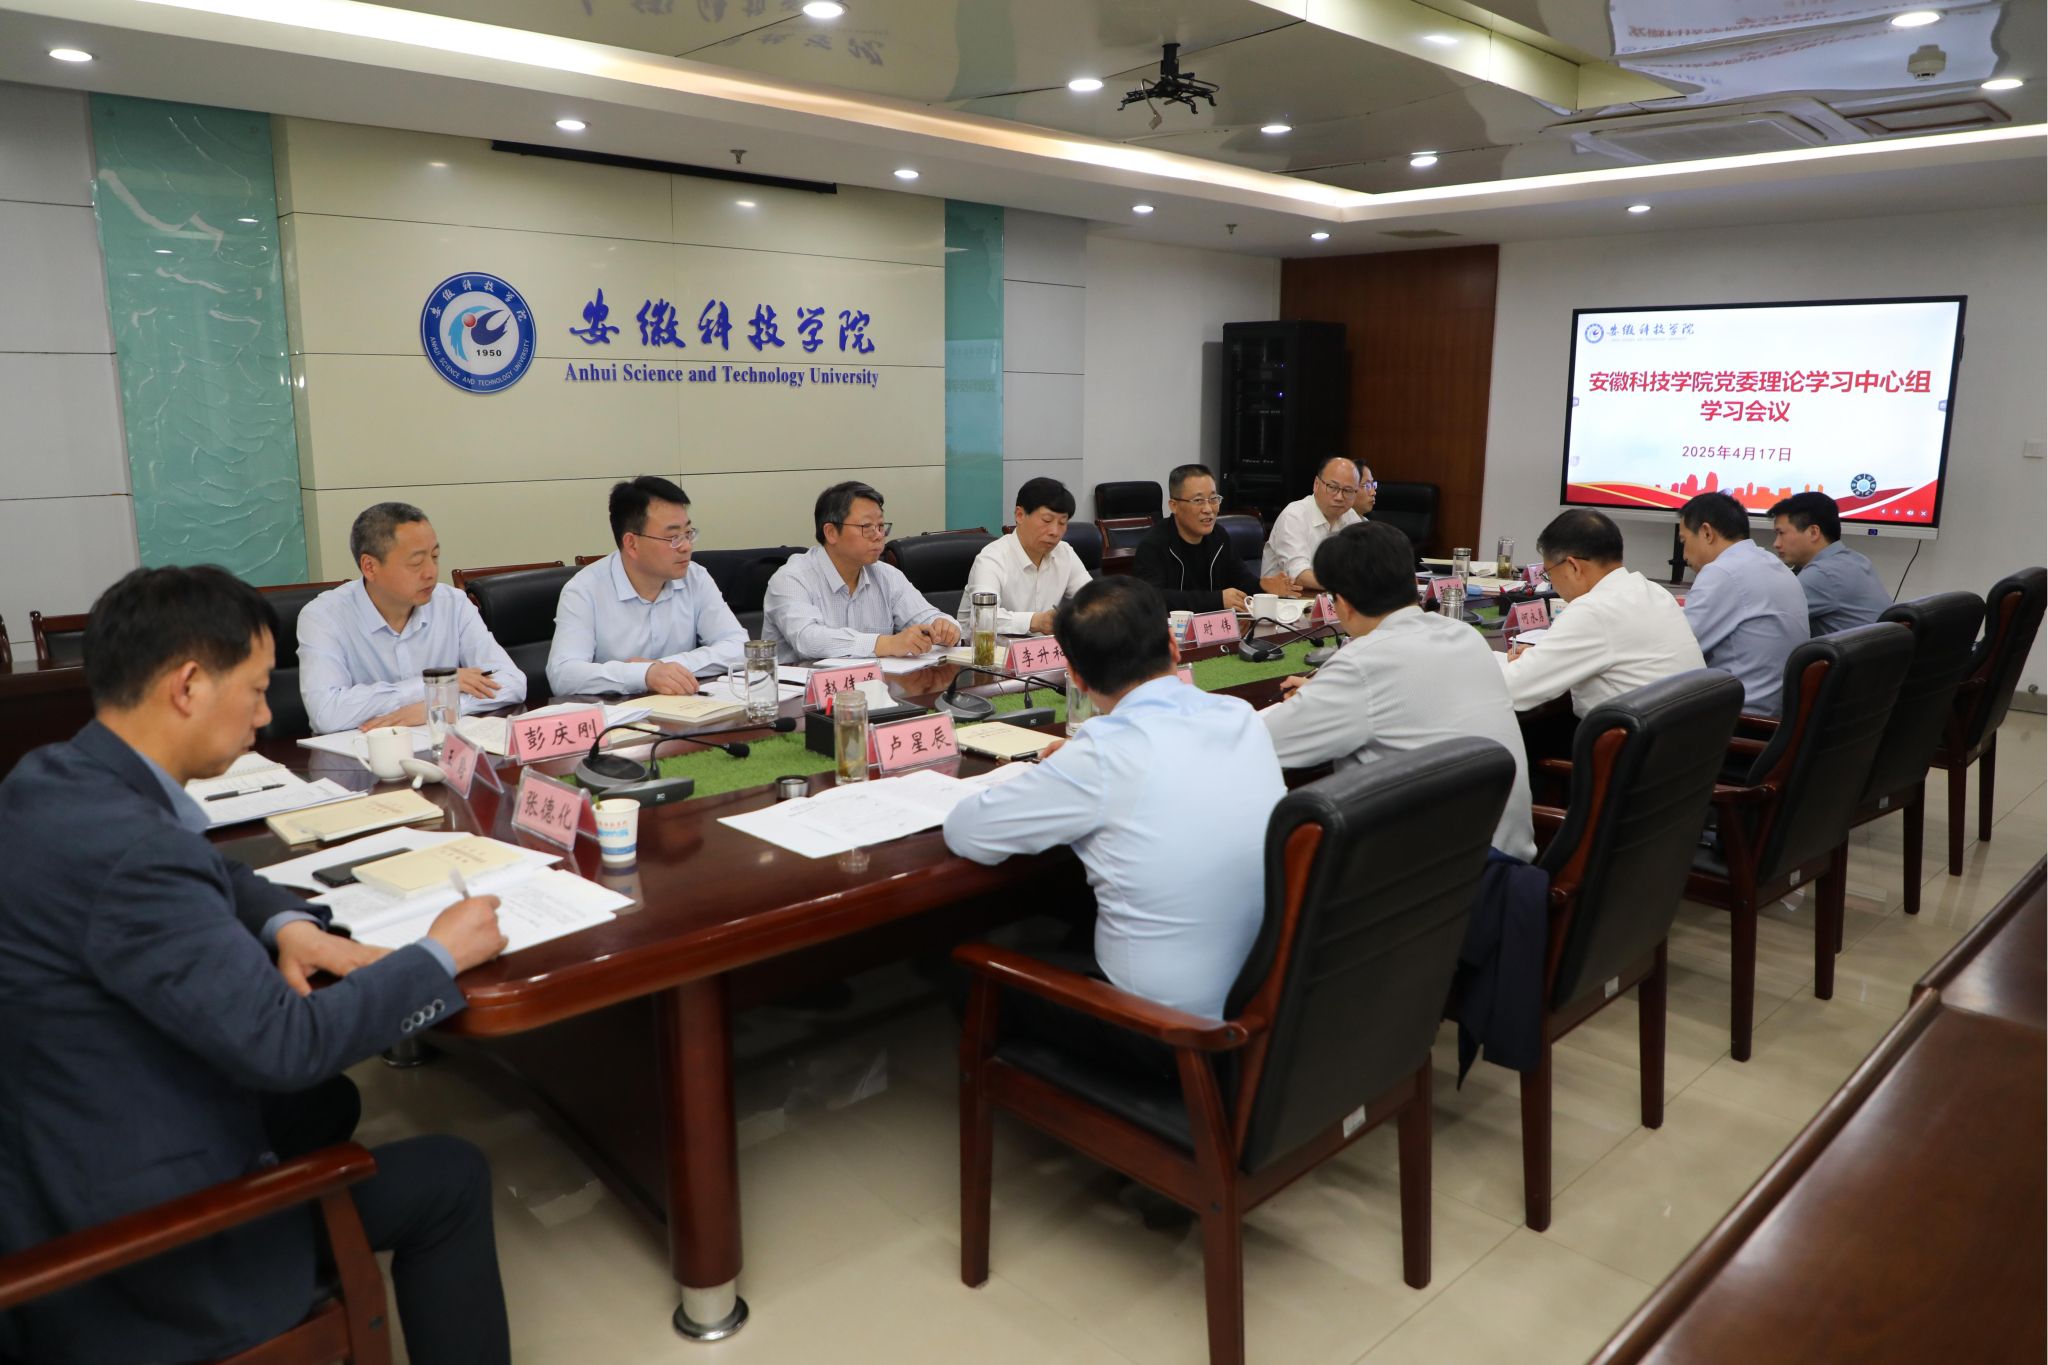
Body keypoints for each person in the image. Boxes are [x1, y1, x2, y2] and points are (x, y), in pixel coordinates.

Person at [0, 566, 511, 1365]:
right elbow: (287, 1044)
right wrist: (439, 954)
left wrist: (284, 922)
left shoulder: (55, 777)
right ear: (188, 686)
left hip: (60, 1140)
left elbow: (212, 871)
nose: (267, 713)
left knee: (325, 1103)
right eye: (256, 688)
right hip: (134, 1249)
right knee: (449, 1174)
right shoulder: (134, 852)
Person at [943, 576, 1285, 1022]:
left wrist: (1065, 770)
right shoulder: (1240, 716)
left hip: (1166, 1029)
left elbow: (967, 832)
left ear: (1076, 678)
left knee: (960, 969)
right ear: (1173, 646)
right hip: (1266, 992)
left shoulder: (1102, 755)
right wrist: (1079, 765)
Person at [1261, 521, 1535, 860]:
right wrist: (1329, 691)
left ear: (1341, 603)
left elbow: (1264, 743)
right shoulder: (1464, 635)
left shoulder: (1361, 664)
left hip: (1426, 875)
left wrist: (1328, 693)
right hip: (1507, 867)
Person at [297, 502, 526, 733]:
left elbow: (513, 682)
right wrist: (431, 685)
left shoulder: (453, 604)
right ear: (370, 567)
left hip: (440, 747)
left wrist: (441, 707)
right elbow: (326, 713)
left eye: (435, 556)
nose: (431, 572)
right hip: (362, 751)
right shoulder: (323, 617)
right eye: (416, 563)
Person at [547, 476, 747, 696]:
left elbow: (739, 646)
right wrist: (643, 675)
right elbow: (563, 675)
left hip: (683, 707)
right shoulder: (584, 590)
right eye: (673, 537)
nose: (686, 547)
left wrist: (662, 668)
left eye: (688, 533)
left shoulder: (695, 577)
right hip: (618, 712)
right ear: (632, 544)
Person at [1499, 509, 1705, 716]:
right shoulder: (1655, 592)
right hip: (1685, 730)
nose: (1550, 581)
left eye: (1548, 574)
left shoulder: (1592, 610)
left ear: (1573, 566)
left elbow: (1512, 689)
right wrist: (1543, 657)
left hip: (1633, 735)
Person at [763, 480, 961, 661]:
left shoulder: (887, 576)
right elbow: (808, 640)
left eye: (881, 526)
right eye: (867, 526)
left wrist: (944, 626)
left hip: (873, 686)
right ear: (831, 532)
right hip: (801, 688)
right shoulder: (791, 578)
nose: (878, 535)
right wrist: (886, 643)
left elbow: (929, 617)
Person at [1678, 491, 1808, 715]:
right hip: (1776, 712)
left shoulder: (1722, 572)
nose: (1684, 555)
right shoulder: (1773, 564)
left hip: (1740, 719)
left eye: (1684, 541)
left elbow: (1676, 648)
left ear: (1707, 532)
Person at [963, 476, 1094, 636]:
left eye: (1062, 523)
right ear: (1020, 515)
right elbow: (984, 617)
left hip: (1043, 650)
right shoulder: (992, 558)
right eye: (1047, 520)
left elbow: (1093, 598)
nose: (1055, 531)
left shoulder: (1064, 552)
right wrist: (1036, 621)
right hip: (985, 650)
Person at [1131, 463, 1259, 613]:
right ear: (1174, 506)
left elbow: (1243, 581)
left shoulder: (1219, 537)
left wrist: (1265, 586)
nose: (1208, 509)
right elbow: (1151, 598)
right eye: (1198, 501)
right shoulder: (1153, 545)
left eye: (1213, 499)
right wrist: (1217, 600)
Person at [1769, 491, 1892, 636]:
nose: (1776, 544)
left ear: (1813, 532)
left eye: (1781, 533)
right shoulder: (1857, 560)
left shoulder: (1822, 574)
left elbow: (1766, 622)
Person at [1258, 456, 1371, 596]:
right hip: (1287, 604)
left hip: (1331, 600)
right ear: (1316, 484)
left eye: (1348, 491)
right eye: (1332, 487)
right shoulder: (1294, 516)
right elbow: (1299, 575)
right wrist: (1345, 583)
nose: (1339, 497)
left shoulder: (1351, 517)